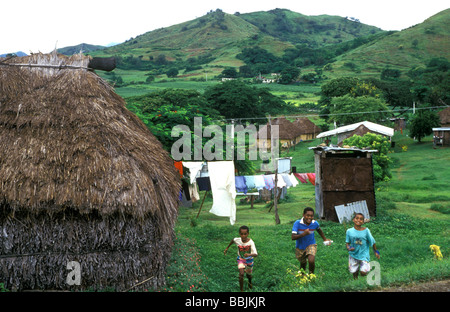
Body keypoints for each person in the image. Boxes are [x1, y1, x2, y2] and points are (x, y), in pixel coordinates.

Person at [291, 207, 331, 274]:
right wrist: (304, 234)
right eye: (307, 215)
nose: (309, 217)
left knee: (311, 260)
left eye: (311, 216)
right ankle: (302, 276)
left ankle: (311, 275)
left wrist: (325, 239)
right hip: (300, 247)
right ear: (303, 215)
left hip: (311, 244)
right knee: (303, 263)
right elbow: (293, 237)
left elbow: (319, 230)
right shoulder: (297, 223)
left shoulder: (314, 223)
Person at [345, 213, 380, 279]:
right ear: (353, 220)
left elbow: (372, 241)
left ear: (363, 222)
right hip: (353, 254)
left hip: (364, 254)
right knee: (354, 272)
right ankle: (356, 281)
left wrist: (376, 251)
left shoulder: (366, 231)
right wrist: (348, 247)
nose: (359, 220)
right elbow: (347, 242)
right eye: (357, 218)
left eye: (361, 219)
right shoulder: (349, 231)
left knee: (363, 272)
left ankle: (365, 270)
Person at [224, 225, 258, 291]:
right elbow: (233, 240)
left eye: (245, 234)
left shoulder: (251, 242)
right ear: (239, 234)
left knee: (249, 275)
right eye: (241, 234)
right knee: (241, 274)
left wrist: (249, 254)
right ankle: (241, 290)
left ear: (248, 234)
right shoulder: (237, 240)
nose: (243, 236)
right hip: (241, 259)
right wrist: (227, 248)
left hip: (249, 260)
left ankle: (250, 282)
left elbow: (256, 254)